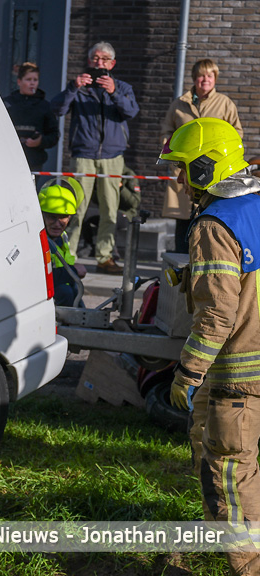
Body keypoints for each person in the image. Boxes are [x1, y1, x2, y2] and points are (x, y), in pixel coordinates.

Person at [159, 117, 260, 575]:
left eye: (184, 169)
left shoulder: (215, 225)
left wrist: (188, 374)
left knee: (231, 479)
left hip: (236, 379)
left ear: (205, 168)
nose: (179, 180)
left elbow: (218, 314)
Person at [51, 41, 139, 275]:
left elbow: (131, 111)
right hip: (83, 156)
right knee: (75, 208)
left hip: (112, 157)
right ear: (89, 61)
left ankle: (105, 256)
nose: (99, 63)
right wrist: (73, 87)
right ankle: (66, 256)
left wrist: (114, 92)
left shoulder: (122, 87)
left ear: (112, 64)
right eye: (96, 59)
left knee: (110, 209)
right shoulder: (80, 87)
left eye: (104, 60)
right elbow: (57, 109)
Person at [161, 59, 243, 254]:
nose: (205, 80)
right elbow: (166, 131)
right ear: (194, 78)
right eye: (201, 75)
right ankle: (181, 262)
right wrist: (174, 160)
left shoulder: (225, 104)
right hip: (184, 171)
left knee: (209, 216)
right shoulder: (179, 104)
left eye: (209, 75)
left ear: (215, 78)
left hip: (211, 173)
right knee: (182, 221)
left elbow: (236, 134)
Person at [3, 62, 60, 171]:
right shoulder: (7, 104)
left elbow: (54, 135)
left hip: (34, 161)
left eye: (35, 80)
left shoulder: (45, 106)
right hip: (9, 159)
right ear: (19, 81)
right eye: (28, 80)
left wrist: (40, 141)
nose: (32, 83)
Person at [39, 178, 87, 307]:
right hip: (46, 295)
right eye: (52, 217)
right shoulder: (37, 241)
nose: (57, 223)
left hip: (62, 287)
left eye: (63, 217)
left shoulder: (62, 237)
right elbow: (40, 277)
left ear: (70, 217)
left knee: (74, 290)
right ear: (42, 215)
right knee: (65, 292)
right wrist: (73, 271)